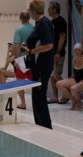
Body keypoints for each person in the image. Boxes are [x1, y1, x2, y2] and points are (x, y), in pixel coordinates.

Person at [21, 0, 54, 129]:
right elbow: (38, 42)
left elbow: (49, 45)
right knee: (36, 98)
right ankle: (40, 126)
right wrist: (27, 47)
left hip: (42, 67)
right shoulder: (38, 24)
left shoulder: (44, 24)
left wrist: (31, 51)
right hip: (37, 66)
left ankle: (46, 128)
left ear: (32, 11)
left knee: (39, 98)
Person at [56, 43, 83, 111]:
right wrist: (72, 77)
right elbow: (75, 69)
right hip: (78, 80)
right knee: (58, 84)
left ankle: (79, 103)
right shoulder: (74, 60)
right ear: (73, 51)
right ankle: (73, 100)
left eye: (79, 50)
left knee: (73, 88)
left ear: (81, 51)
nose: (77, 52)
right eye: (75, 50)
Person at [47, 1, 68, 104]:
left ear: (54, 10)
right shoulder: (51, 22)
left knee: (56, 74)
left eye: (49, 8)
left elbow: (62, 38)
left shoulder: (61, 21)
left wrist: (58, 52)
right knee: (52, 75)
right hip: (52, 53)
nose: (47, 10)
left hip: (58, 53)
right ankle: (55, 96)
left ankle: (67, 93)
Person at [12, 11, 34, 109]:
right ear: (29, 18)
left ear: (20, 18)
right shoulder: (34, 28)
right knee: (35, 81)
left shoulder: (18, 30)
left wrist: (16, 60)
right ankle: (36, 102)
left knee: (19, 82)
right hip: (33, 58)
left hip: (21, 59)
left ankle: (23, 103)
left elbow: (17, 46)